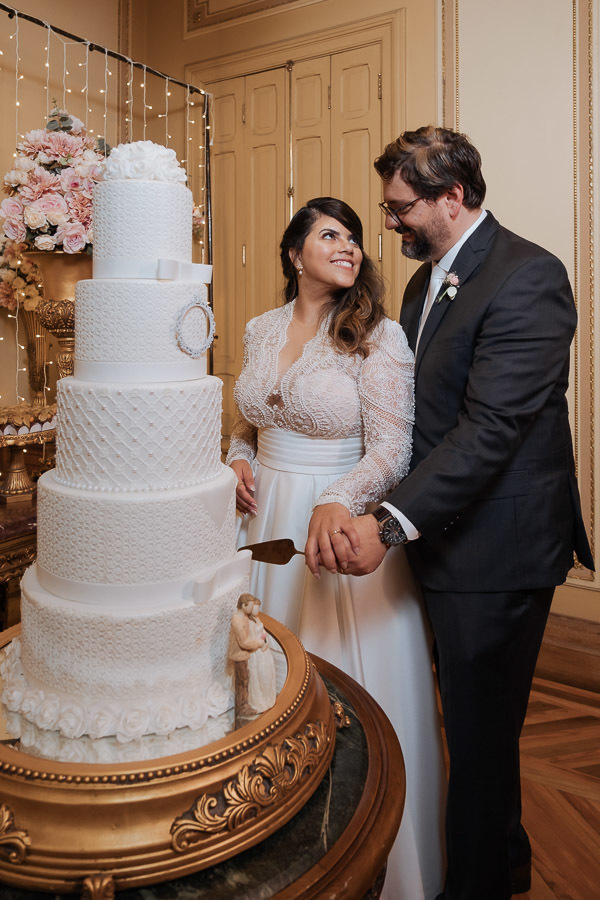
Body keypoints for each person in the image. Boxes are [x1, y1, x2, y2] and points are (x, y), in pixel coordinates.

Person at [306, 128, 594, 900]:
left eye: (401, 208)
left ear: (452, 197)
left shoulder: (529, 275)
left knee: (479, 742)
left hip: (500, 549)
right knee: (474, 734)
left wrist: (390, 524)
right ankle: (503, 860)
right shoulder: (421, 280)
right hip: (447, 537)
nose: (389, 223)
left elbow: (490, 430)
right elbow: (420, 420)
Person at [227, 196, 446, 900]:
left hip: (338, 526)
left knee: (343, 692)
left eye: (353, 237)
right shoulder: (261, 329)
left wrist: (338, 500)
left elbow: (392, 449)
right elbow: (249, 421)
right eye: (330, 235)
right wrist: (235, 460)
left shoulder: (376, 335)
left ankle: (366, 855)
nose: (349, 246)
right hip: (261, 526)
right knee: (260, 683)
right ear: (295, 255)